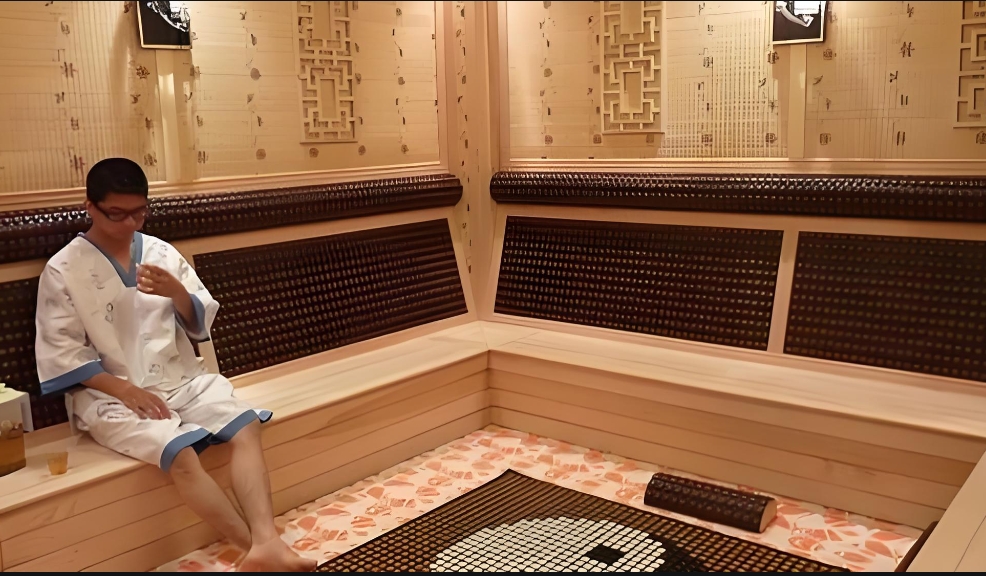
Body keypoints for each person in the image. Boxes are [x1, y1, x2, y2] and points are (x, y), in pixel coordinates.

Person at [34, 158, 315, 572]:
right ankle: (253, 550)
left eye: (139, 212)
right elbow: (63, 354)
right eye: (117, 214)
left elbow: (199, 319)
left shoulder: (160, 252)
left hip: (180, 378)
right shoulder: (63, 269)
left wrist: (177, 292)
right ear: (90, 207)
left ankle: (267, 541)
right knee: (180, 453)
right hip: (111, 394)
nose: (130, 224)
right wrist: (125, 389)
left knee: (245, 426)